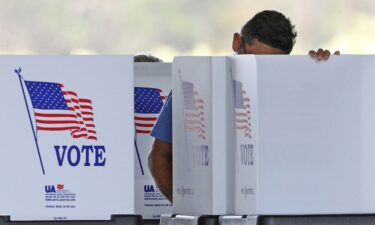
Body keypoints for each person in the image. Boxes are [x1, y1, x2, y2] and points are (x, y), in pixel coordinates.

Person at [148, 10, 339, 203]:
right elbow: (159, 157)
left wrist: (328, 71)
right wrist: (189, 210)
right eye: (253, 61)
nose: (258, 72)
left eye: (271, 65)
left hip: (282, 209)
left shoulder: (295, 87)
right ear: (236, 42)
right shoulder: (198, 82)